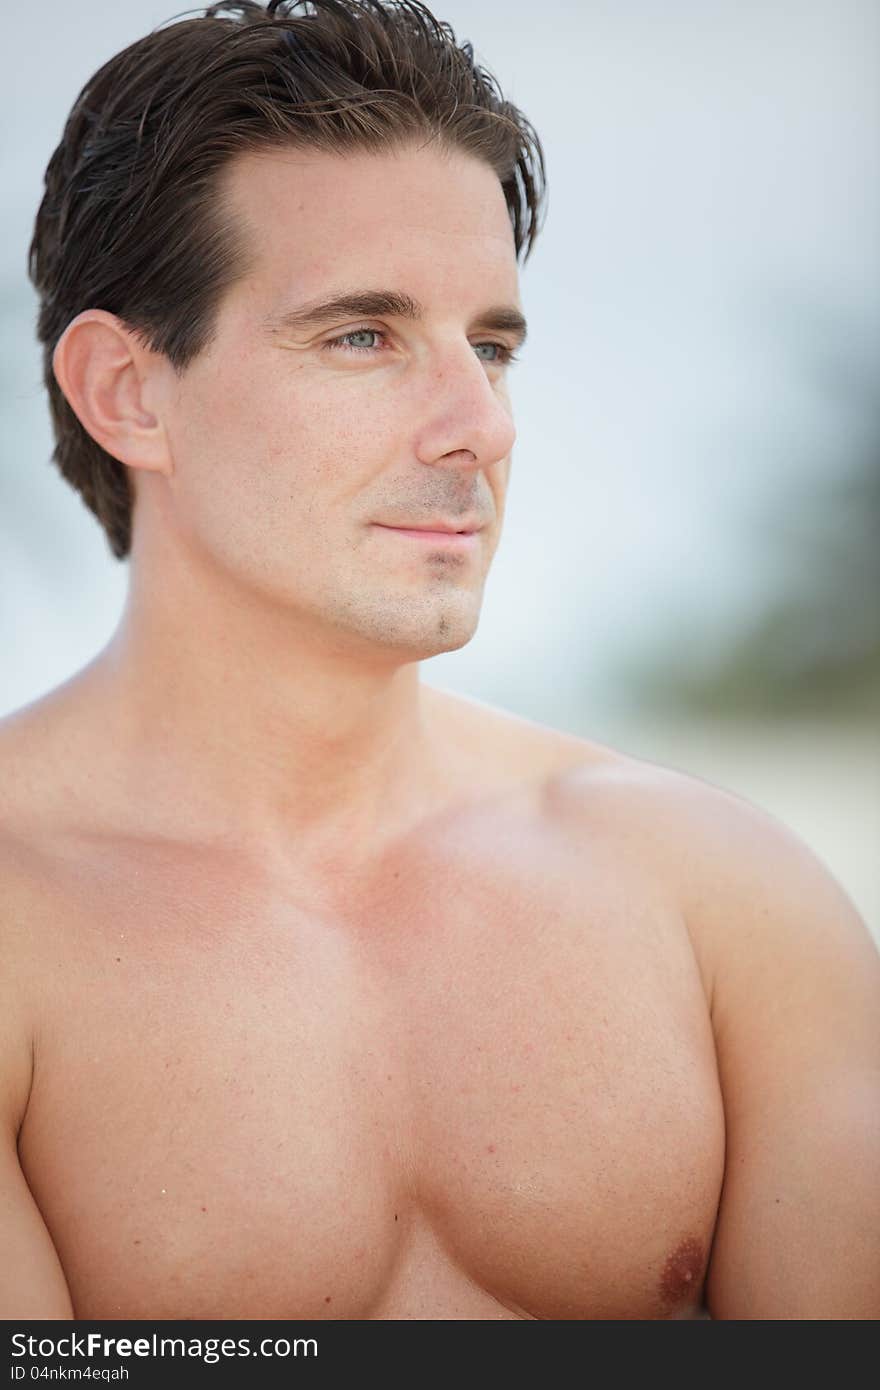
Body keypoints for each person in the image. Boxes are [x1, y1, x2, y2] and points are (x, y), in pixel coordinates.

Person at [2, 0, 877, 1322]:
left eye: (494, 344)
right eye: (363, 334)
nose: (481, 424)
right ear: (129, 392)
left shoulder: (726, 905)